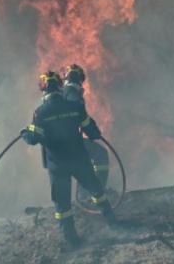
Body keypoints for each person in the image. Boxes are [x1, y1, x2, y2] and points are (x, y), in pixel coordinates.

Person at [22, 71, 116, 248]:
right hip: (79, 160)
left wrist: (25, 133)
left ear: (43, 90)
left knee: (63, 205)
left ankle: (72, 240)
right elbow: (94, 133)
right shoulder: (75, 107)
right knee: (96, 190)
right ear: (59, 86)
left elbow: (33, 139)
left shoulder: (40, 113)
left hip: (58, 166)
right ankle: (112, 221)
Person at [61, 64, 111, 199]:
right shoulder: (71, 93)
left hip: (62, 143)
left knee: (84, 163)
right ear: (79, 79)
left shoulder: (63, 93)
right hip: (70, 142)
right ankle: (96, 191)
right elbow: (79, 115)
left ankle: (84, 196)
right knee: (100, 154)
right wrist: (93, 132)